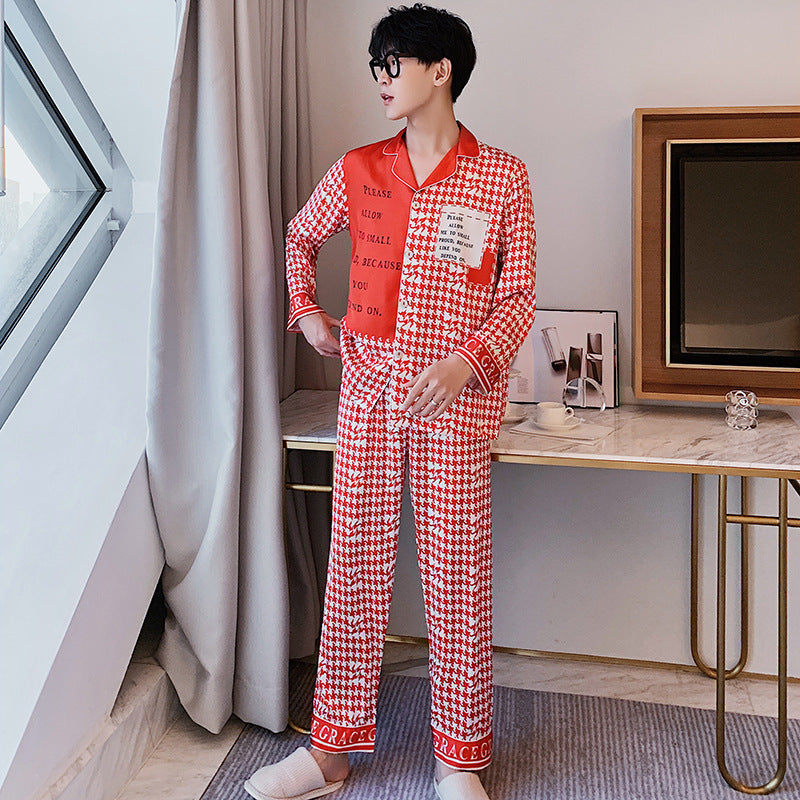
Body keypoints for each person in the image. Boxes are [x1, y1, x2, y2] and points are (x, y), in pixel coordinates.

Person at [245, 5, 535, 800]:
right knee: (355, 564)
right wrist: (306, 310)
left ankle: (460, 760)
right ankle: (330, 753)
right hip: (369, 389)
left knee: (456, 574)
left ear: (440, 70)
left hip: (453, 402)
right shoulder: (359, 168)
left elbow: (516, 297)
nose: (380, 78)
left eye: (393, 63)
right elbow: (301, 237)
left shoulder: (500, 177)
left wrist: (466, 363)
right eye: (377, 65)